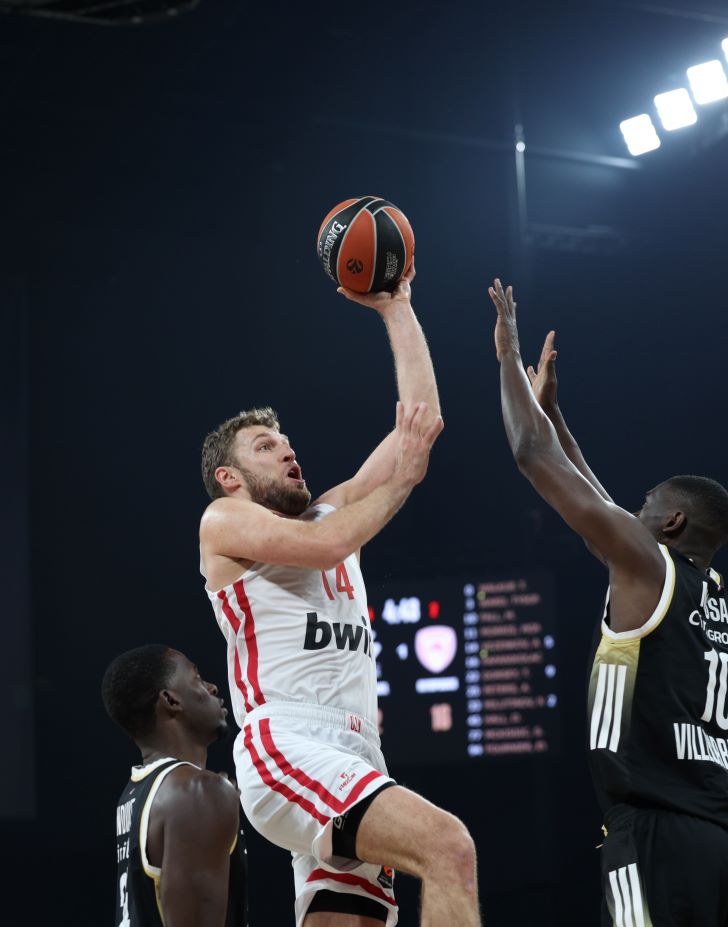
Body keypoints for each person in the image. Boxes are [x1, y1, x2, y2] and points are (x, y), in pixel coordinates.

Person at [198, 268, 480, 927]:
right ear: (228, 476)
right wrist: (401, 483)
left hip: (357, 751)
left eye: (288, 442)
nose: (287, 451)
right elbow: (330, 545)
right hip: (287, 741)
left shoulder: (333, 509)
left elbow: (420, 423)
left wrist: (397, 309)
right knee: (448, 846)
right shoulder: (224, 521)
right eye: (266, 447)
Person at [490, 277, 728, 926]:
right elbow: (597, 503)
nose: (630, 510)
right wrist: (556, 415)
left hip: (661, 838)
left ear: (671, 522)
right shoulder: (708, 592)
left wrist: (506, 354)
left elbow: (530, 453)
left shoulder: (648, 563)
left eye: (645, 504)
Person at [103, 645, 247, 927]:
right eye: (197, 678)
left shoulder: (135, 793)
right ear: (171, 700)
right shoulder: (196, 792)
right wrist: (213, 797)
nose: (213, 687)